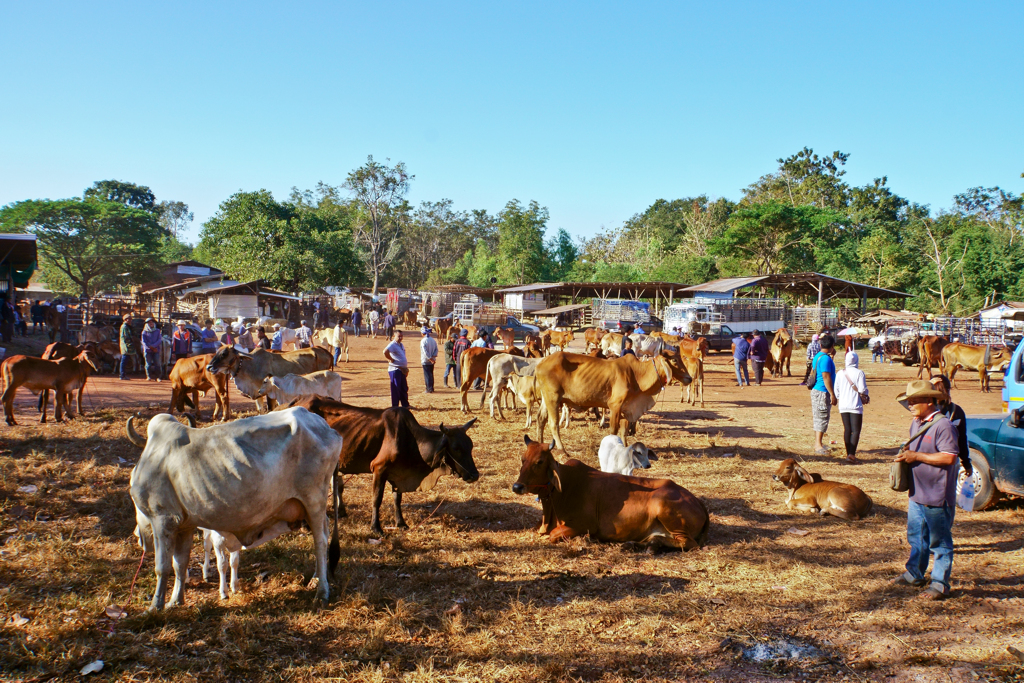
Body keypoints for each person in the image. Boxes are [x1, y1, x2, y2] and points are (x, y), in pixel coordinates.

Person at [891, 380, 960, 601]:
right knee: (916, 537)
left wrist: (917, 456)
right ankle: (914, 574)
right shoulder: (917, 422)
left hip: (937, 496)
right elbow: (913, 448)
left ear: (929, 401)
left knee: (939, 543)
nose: (909, 406)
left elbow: (949, 457)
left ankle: (940, 585)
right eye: (908, 402)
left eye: (913, 401)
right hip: (917, 493)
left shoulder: (944, 426)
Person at [929, 375, 972, 476]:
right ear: (949, 389)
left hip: (926, 459)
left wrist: (928, 385)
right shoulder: (956, 411)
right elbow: (962, 440)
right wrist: (966, 463)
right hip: (949, 462)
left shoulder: (925, 408)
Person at [835, 350, 868, 462]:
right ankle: (852, 454)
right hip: (855, 405)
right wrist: (865, 395)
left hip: (843, 405)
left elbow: (836, 390)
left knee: (847, 429)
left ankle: (848, 452)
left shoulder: (840, 373)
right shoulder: (859, 373)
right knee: (856, 430)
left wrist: (841, 397)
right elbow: (862, 389)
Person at [809, 334, 838, 455]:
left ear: (820, 345)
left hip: (818, 391)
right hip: (823, 391)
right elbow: (826, 376)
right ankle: (818, 445)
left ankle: (818, 443)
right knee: (821, 417)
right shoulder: (825, 359)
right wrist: (832, 393)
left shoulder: (819, 356)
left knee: (820, 417)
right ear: (832, 346)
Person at [383, 329, 410, 408]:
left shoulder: (401, 345)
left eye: (401, 336)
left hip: (402, 369)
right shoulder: (392, 344)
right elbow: (385, 351)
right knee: (396, 388)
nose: (400, 338)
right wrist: (391, 359)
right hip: (395, 369)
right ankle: (395, 406)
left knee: (403, 388)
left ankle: (405, 405)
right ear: (394, 336)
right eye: (399, 336)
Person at [141, 318, 163, 382]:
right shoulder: (144, 332)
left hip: (156, 350)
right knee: (148, 364)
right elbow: (144, 342)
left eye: (152, 322)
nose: (151, 324)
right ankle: (149, 376)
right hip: (148, 351)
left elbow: (159, 340)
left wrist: (154, 346)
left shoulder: (158, 331)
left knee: (157, 364)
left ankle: (158, 377)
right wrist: (150, 347)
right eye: (149, 323)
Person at [420, 326, 438, 393]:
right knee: (431, 374)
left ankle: (428, 389)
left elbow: (425, 352)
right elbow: (436, 349)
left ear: (422, 333)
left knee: (427, 375)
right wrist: (433, 357)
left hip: (425, 360)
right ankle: (431, 388)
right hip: (432, 360)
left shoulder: (423, 341)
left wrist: (430, 358)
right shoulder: (433, 340)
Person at [119, 314, 136, 380]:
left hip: (127, 346)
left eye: (130, 319)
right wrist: (130, 343)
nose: (130, 320)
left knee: (125, 361)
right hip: (126, 346)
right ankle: (122, 375)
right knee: (124, 361)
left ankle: (123, 374)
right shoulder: (124, 327)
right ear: (125, 319)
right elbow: (126, 337)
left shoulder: (127, 326)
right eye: (128, 319)